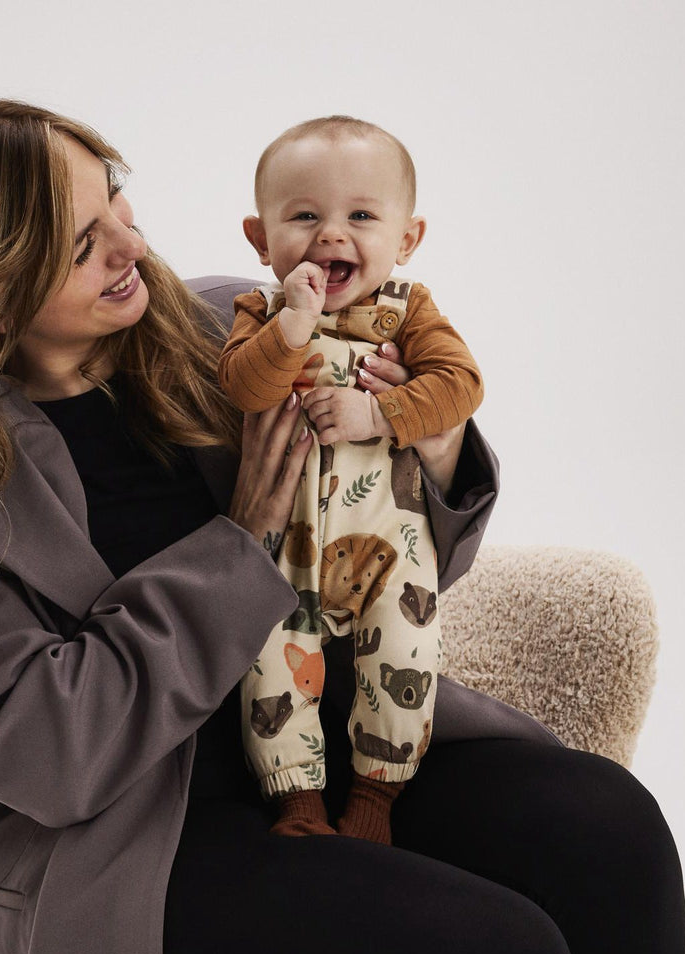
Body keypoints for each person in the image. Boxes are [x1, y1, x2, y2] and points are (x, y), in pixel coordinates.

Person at [0, 98, 685, 954]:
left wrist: (433, 452)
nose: (133, 245)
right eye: (84, 245)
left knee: (612, 832)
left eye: (117, 202)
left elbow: (396, 570)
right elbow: (51, 756)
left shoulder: (234, 331)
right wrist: (240, 545)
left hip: (345, 732)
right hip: (145, 825)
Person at [219, 116, 483, 843]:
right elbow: (244, 386)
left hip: (391, 550)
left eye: (362, 217)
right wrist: (294, 324)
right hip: (286, 555)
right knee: (269, 668)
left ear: (407, 238)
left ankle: (374, 799)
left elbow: (461, 385)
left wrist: (379, 413)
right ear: (260, 238)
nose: (332, 235)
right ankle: (297, 804)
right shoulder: (260, 314)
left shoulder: (408, 311)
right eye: (304, 216)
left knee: (405, 658)